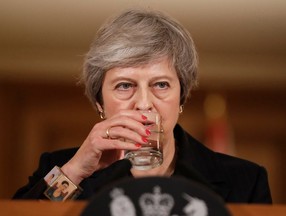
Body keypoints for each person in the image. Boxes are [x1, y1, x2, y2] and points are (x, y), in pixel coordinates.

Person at [13, 8, 272, 203]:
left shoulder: (246, 180)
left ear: (181, 98)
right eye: (125, 85)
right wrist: (75, 171)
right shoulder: (61, 167)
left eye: (160, 85)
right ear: (99, 102)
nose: (144, 103)